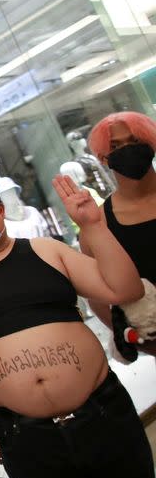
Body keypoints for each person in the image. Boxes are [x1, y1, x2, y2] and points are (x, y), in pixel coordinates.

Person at [0, 173, 153, 478]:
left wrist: (94, 226)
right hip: (25, 436)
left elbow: (126, 289)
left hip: (101, 415)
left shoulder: (46, 251)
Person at [84, 111, 156, 358]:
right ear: (104, 158)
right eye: (116, 146)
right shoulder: (99, 222)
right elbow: (96, 293)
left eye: (134, 141)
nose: (127, 149)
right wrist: (139, 342)